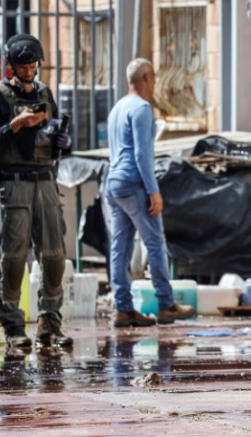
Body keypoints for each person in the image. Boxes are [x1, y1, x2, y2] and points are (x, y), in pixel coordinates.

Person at [0, 34, 73, 349]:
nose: (29, 72)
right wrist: (16, 125)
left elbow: (57, 131)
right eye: (23, 67)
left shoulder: (45, 93)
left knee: (55, 256)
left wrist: (63, 142)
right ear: (12, 67)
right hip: (14, 183)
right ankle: (13, 326)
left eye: (33, 66)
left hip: (45, 180)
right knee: (13, 258)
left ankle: (50, 323)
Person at [106, 58, 194, 327]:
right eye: (153, 78)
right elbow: (143, 153)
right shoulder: (143, 108)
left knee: (119, 247)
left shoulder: (117, 107)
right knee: (155, 244)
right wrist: (153, 191)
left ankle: (122, 307)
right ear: (145, 79)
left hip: (114, 183)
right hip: (134, 184)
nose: (155, 83)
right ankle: (166, 304)